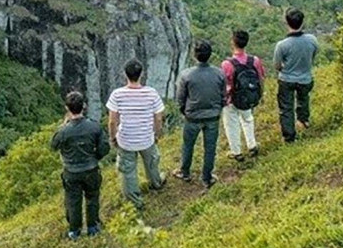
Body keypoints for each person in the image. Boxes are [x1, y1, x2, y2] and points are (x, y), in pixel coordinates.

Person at [106, 59, 165, 210]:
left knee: (128, 171)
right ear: (142, 74)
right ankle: (156, 183)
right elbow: (158, 117)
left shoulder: (117, 94)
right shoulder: (151, 93)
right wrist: (156, 134)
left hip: (126, 140)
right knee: (152, 162)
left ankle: (135, 201)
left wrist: (113, 138)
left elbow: (112, 121)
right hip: (147, 138)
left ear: (125, 74)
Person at [51, 91, 110, 240]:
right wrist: (95, 157)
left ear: (67, 108)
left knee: (73, 201)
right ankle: (93, 228)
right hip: (91, 169)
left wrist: (65, 124)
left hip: (71, 171)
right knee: (92, 198)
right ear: (84, 106)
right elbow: (105, 147)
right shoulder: (94, 127)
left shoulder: (63, 131)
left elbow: (53, 145)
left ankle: (74, 231)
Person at [173, 40, 226, 189]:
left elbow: (180, 98)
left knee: (188, 145)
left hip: (193, 117)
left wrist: (185, 111)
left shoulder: (186, 75)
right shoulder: (219, 73)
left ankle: (185, 172)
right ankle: (207, 177)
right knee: (210, 147)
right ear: (210, 55)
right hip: (213, 116)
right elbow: (223, 96)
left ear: (194, 55)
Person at [273, 8, 319, 143]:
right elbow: (313, 55)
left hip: (287, 79)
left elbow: (277, 65)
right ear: (302, 22)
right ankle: (304, 120)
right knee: (303, 99)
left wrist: (285, 68)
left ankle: (289, 135)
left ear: (286, 23)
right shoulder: (312, 40)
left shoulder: (282, 45)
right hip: (305, 78)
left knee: (286, 107)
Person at [221, 30, 266, 162]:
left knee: (231, 124)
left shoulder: (227, 64)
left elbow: (224, 84)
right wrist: (260, 94)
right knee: (248, 119)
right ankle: (252, 145)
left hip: (231, 99)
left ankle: (236, 152)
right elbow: (261, 78)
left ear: (232, 43)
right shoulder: (255, 60)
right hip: (248, 96)